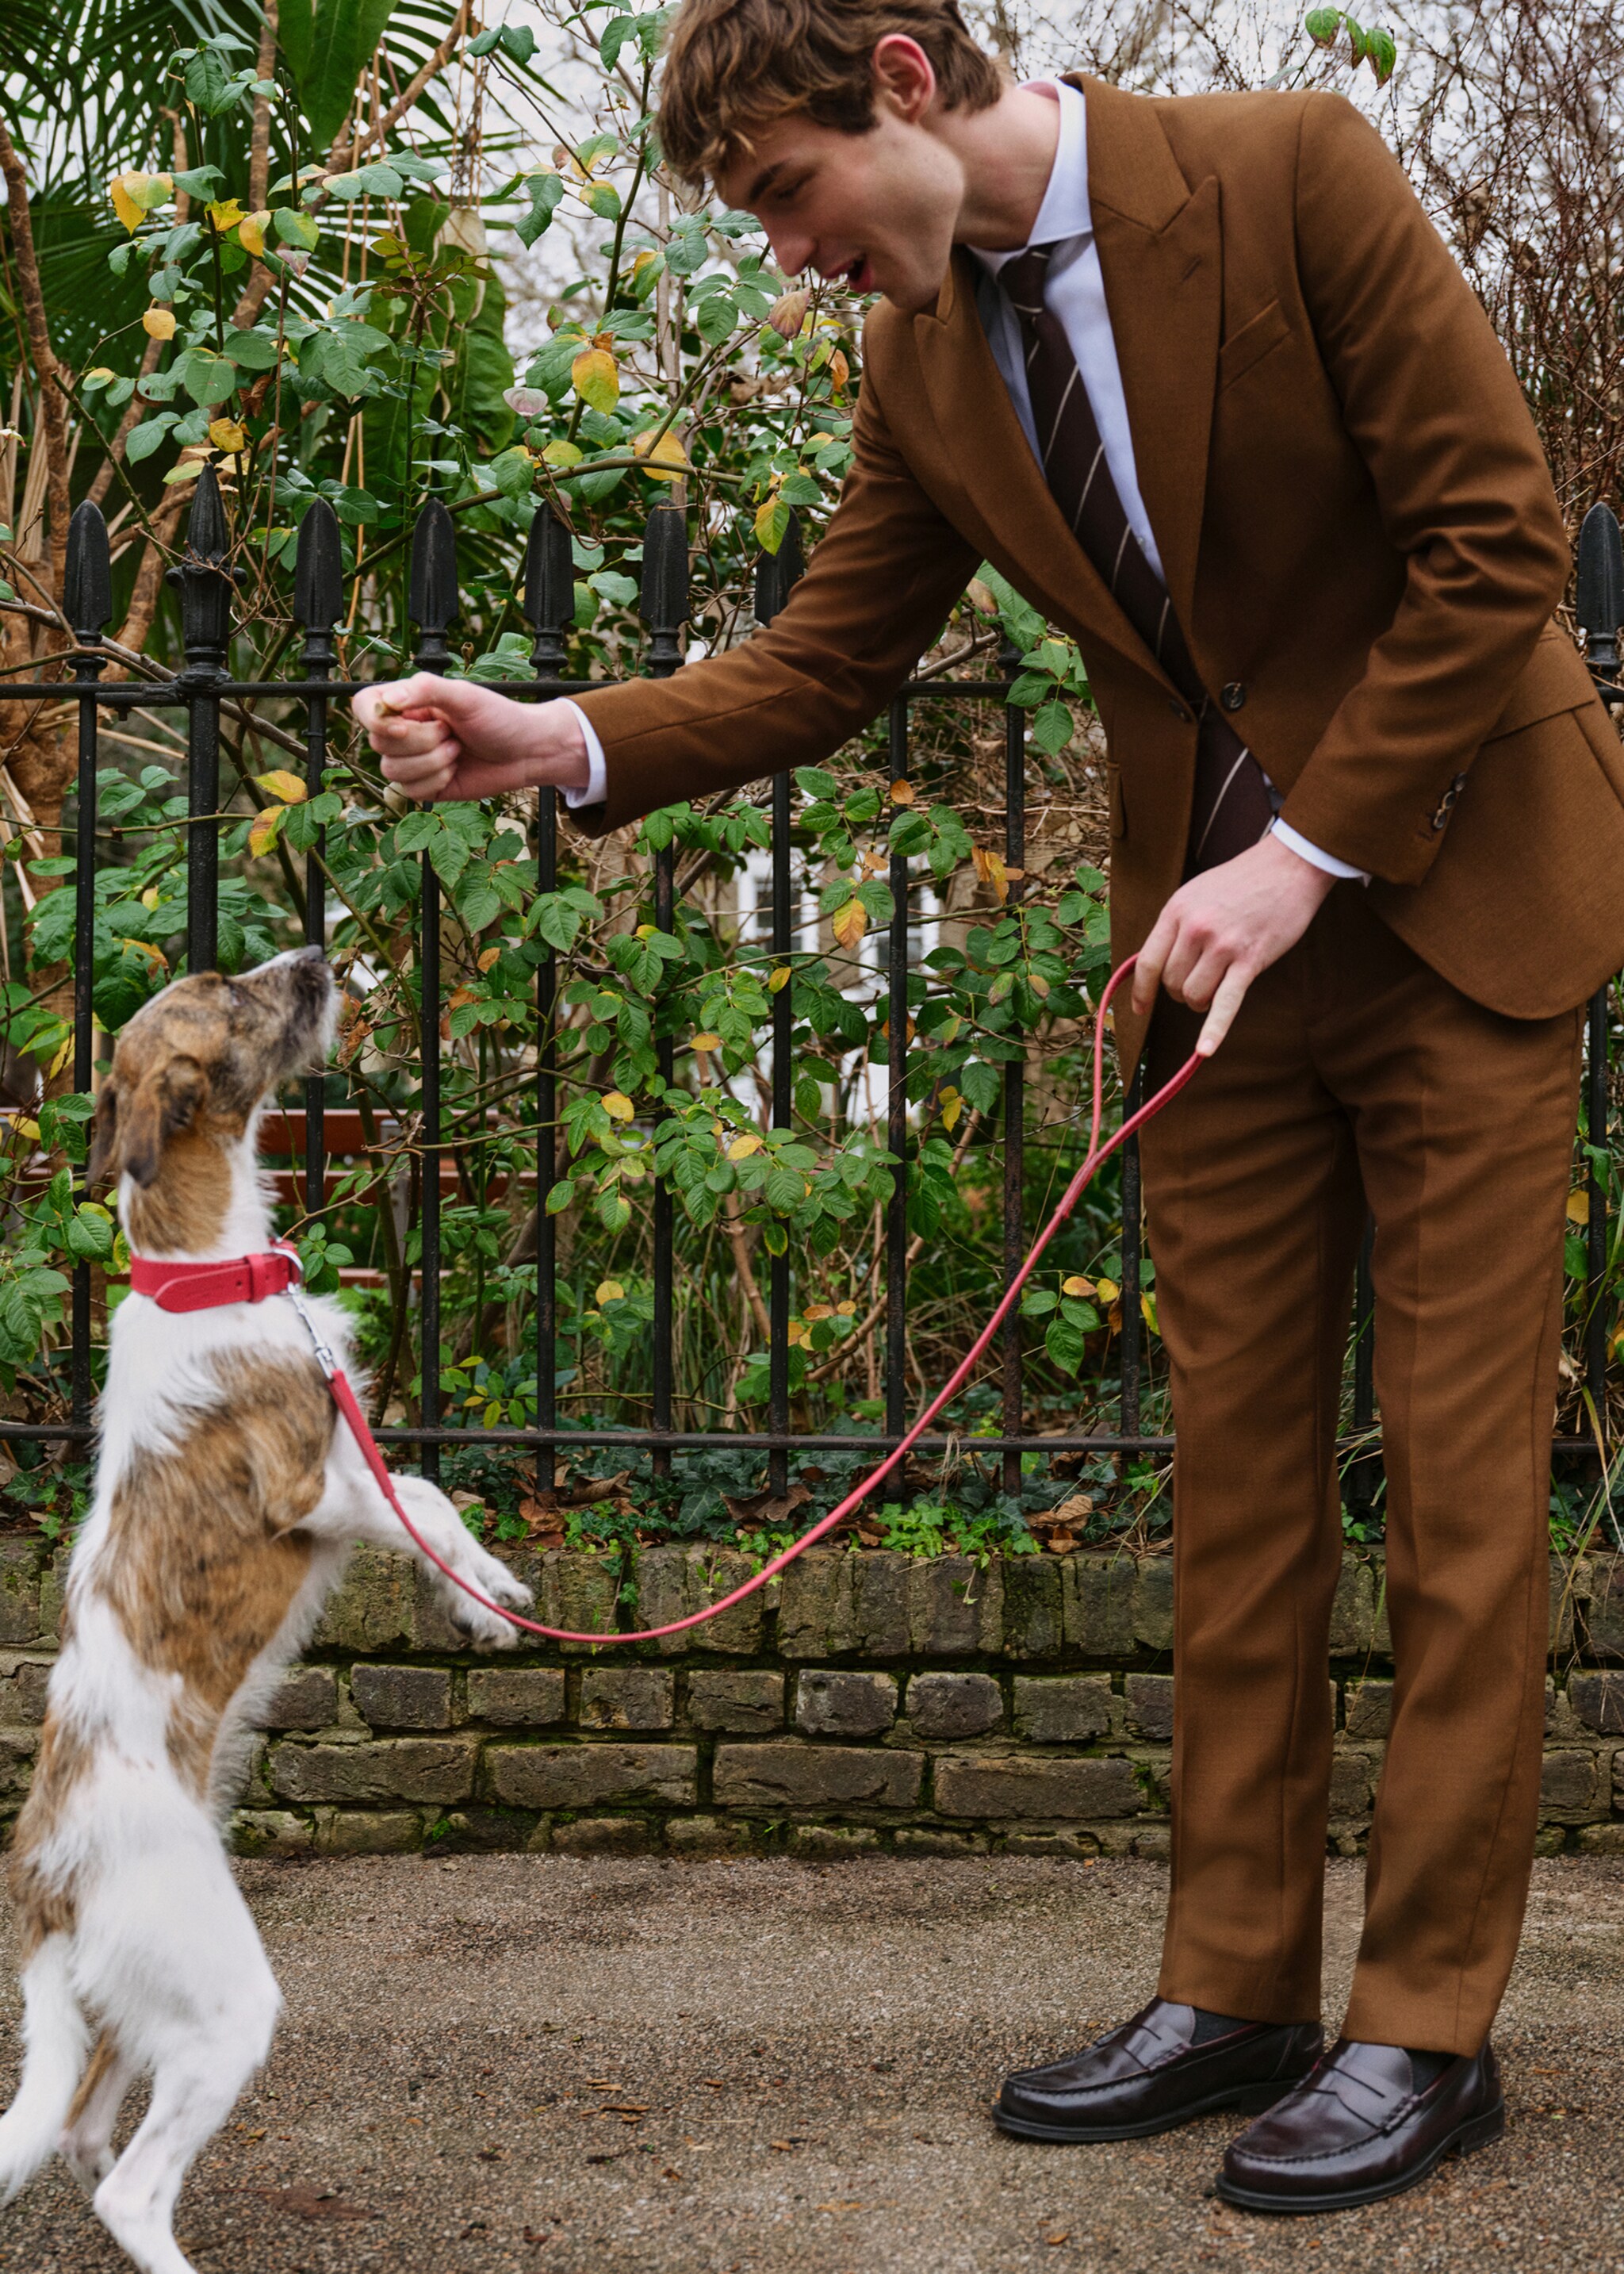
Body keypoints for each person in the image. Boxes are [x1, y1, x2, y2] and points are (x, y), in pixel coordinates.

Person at [354, 0, 1624, 2214]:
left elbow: (1498, 537)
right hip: (1212, 980)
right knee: (1230, 1496)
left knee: (1454, 1498)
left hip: (1453, 910)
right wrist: (553, 734)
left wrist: (1299, 847)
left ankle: (1425, 2026)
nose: (786, 252)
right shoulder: (924, 368)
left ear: (902, 78)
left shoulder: (1291, 168)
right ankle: (1231, 1985)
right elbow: (822, 662)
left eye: (781, 191)